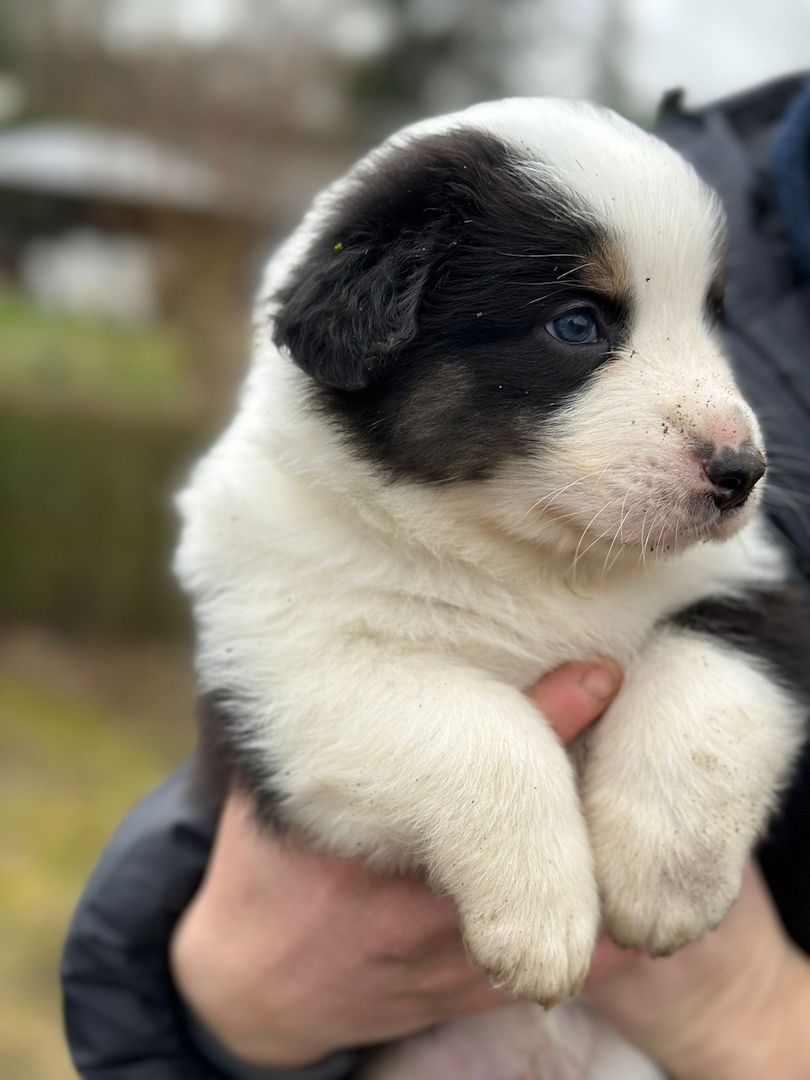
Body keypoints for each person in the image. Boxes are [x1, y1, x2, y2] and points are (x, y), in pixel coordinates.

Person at [62, 73, 810, 1079]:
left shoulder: (693, 562)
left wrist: (749, 1002)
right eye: (583, 324)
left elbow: (752, 632)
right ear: (374, 318)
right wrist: (224, 1003)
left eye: (702, 319)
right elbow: (302, 724)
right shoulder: (282, 533)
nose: (730, 441)